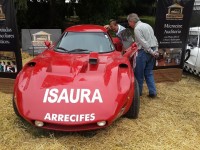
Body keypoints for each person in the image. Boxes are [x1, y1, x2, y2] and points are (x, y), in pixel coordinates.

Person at [127, 13, 159, 98]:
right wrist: (155, 50)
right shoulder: (148, 25)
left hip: (143, 52)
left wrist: (151, 51)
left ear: (132, 21)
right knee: (149, 73)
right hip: (152, 51)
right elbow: (154, 38)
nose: (129, 24)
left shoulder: (137, 28)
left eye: (129, 22)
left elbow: (143, 42)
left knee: (139, 74)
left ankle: (138, 93)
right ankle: (153, 92)